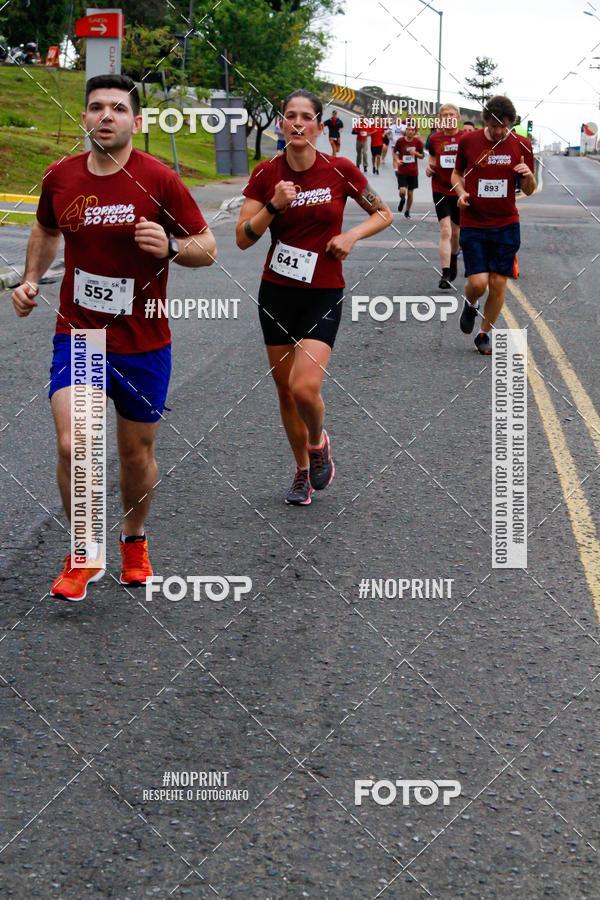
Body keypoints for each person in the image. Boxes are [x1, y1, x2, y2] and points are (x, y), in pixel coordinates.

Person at [11, 74, 216, 601]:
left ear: (136, 121)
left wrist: (170, 245)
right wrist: (32, 279)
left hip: (144, 340)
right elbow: (47, 228)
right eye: (97, 107)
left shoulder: (160, 181)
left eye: (118, 109)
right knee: (72, 441)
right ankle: (83, 552)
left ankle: (134, 540)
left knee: (135, 455)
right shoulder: (61, 176)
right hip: (81, 334)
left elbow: (207, 246)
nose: (107, 116)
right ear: (84, 118)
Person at [236, 89, 393, 505]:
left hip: (323, 291)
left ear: (320, 127)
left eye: (307, 116)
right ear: (281, 125)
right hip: (276, 292)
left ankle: (318, 441)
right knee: (285, 392)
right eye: (291, 115)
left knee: (304, 388)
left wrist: (350, 235)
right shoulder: (266, 173)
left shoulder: (339, 169)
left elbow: (383, 213)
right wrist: (273, 205)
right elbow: (242, 237)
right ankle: (303, 472)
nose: (299, 123)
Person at [451, 94, 535, 354]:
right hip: (474, 222)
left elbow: (529, 190)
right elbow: (456, 174)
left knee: (498, 283)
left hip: (506, 224)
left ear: (511, 123)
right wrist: (461, 192)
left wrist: (528, 175)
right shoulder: (468, 141)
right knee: (478, 283)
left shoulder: (522, 145)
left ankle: (484, 333)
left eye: (505, 126)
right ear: (485, 121)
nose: (500, 131)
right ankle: (470, 303)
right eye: (495, 125)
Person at [426, 103, 463, 289]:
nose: (448, 117)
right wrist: (429, 168)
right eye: (445, 114)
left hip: (459, 190)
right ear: (440, 118)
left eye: (451, 114)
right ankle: (445, 273)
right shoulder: (434, 139)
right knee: (446, 230)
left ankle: (454, 257)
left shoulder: (466, 138)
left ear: (457, 117)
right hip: (440, 189)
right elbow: (432, 160)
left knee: (456, 233)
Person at [393, 123, 424, 217]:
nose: (410, 131)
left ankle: (407, 211)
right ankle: (402, 199)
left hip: (413, 171)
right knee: (402, 191)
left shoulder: (418, 142)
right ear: (405, 130)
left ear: (414, 132)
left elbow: (422, 156)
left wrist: (416, 154)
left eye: (412, 130)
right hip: (402, 170)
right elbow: (395, 152)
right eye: (408, 129)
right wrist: (397, 160)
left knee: (410, 194)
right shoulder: (400, 141)